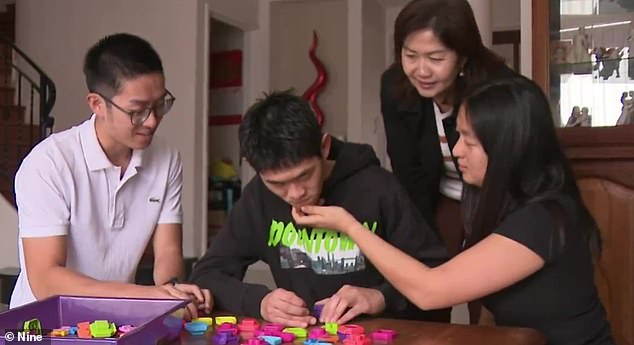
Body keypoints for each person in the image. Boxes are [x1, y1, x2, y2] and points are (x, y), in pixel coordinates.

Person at [293, 76, 615, 345]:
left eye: (470, 141)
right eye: (457, 136)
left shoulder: (543, 219)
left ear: (508, 149)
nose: (457, 151)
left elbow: (431, 290)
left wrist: (351, 227)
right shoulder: (503, 208)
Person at [190, 90, 449, 327]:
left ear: (324, 148)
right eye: (277, 184)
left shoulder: (377, 187)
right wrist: (260, 302)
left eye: (304, 175)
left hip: (379, 332)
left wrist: (380, 297)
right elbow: (206, 274)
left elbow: (439, 277)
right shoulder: (258, 197)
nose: (295, 193)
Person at [11, 33, 212, 318]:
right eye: (138, 111)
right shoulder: (49, 164)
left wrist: (174, 292)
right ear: (97, 104)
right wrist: (145, 297)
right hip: (45, 325)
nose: (152, 121)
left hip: (116, 321)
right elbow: (46, 279)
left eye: (160, 105)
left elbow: (168, 252)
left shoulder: (166, 158)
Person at [380, 0, 515, 256]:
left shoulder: (500, 90)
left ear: (463, 57)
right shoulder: (395, 87)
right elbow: (408, 173)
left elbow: (511, 176)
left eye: (436, 58)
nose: (421, 71)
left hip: (499, 200)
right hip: (440, 200)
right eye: (410, 56)